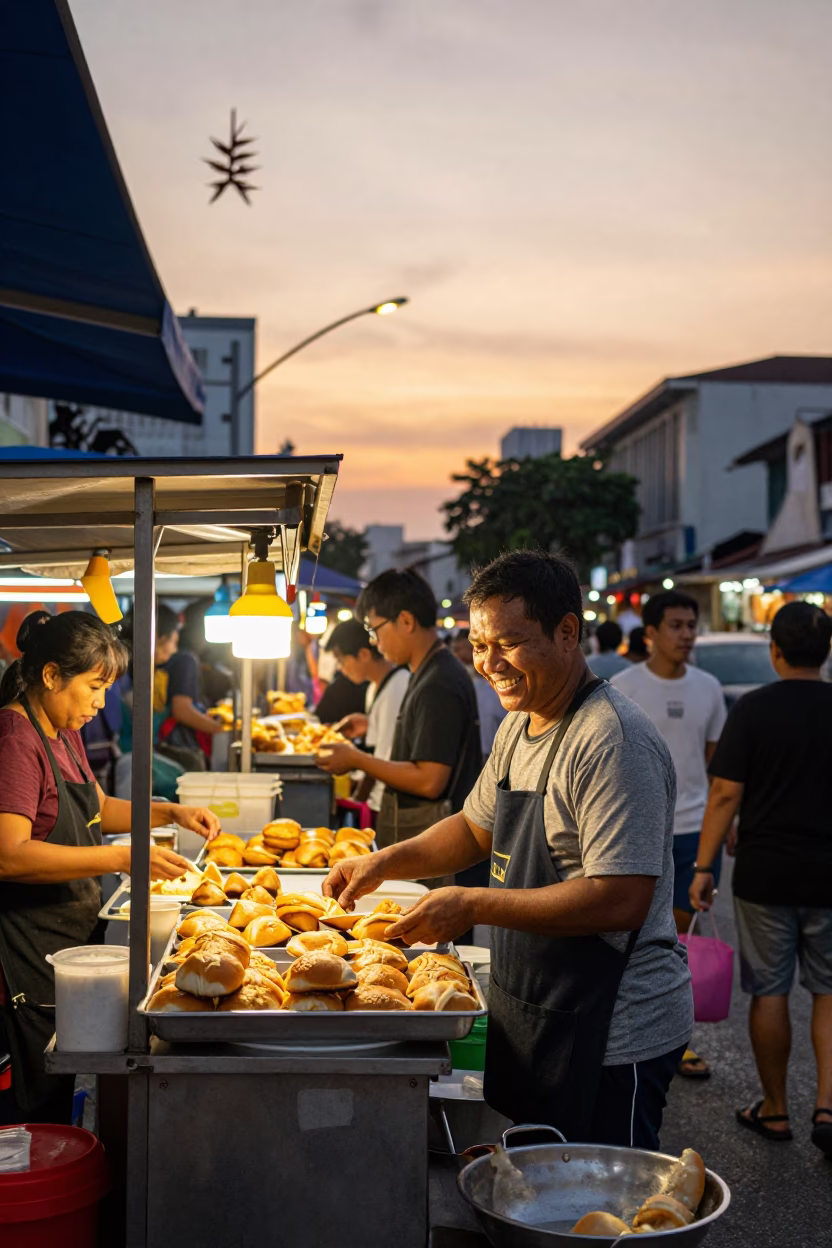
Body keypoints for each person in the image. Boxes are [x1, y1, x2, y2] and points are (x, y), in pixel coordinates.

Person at [324, 551, 692, 1148]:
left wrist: (471, 905)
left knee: (598, 1208)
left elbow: (620, 898)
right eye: (478, 644)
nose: (489, 664)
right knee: (538, 1187)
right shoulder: (520, 726)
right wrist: (385, 861)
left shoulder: (611, 742)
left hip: (615, 1029)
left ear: (567, 632)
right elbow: (473, 828)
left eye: (509, 644)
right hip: (539, 1007)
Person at [0, 611, 220, 1125]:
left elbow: (98, 806)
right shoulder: (16, 739)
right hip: (25, 948)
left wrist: (169, 811)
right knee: (36, 1108)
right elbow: (9, 853)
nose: (101, 703)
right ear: (52, 675)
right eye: (95, 686)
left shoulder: (60, 728)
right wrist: (122, 857)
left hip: (67, 937)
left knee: (64, 1083)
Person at [691, 602, 832, 1157]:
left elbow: (725, 793)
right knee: (828, 991)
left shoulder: (752, 710)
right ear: (825, 653)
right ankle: (827, 1105)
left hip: (766, 872)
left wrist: (703, 868)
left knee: (770, 990)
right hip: (830, 874)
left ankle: (774, 1109)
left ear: (775, 651)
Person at [610, 590, 725, 1080]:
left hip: (695, 827)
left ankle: (677, 1036)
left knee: (677, 935)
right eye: (675, 625)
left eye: (691, 625)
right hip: (636, 827)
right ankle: (632, 1030)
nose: (686, 635)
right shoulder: (622, 685)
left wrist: (727, 826)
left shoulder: (709, 686)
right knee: (640, 934)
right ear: (650, 633)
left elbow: (715, 762)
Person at [315, 568, 481, 856]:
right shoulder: (426, 672)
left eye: (373, 629)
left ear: (405, 621)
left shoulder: (438, 681)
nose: (372, 641)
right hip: (423, 840)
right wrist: (369, 724)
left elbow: (429, 780)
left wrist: (357, 759)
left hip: (435, 846)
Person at [323, 618, 409, 816]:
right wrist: (370, 725)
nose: (340, 668)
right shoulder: (373, 688)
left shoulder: (397, 686)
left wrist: (352, 759)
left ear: (363, 654)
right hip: (376, 801)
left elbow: (386, 760)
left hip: (387, 806)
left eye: (341, 660)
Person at [450, 628, 506, 757]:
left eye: (458, 649)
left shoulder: (496, 682)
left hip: (493, 752)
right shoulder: (459, 679)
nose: (455, 654)